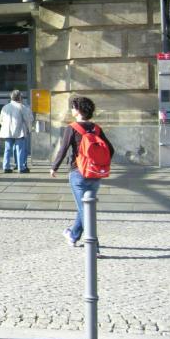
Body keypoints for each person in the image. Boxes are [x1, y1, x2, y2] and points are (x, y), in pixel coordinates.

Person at [50, 95, 114, 252]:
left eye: (73, 107)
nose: (71, 110)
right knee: (85, 206)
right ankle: (73, 235)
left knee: (85, 209)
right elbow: (111, 149)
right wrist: (99, 164)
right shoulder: (96, 128)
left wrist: (54, 167)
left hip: (78, 173)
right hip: (95, 174)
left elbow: (63, 149)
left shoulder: (72, 128)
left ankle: (94, 247)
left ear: (78, 110)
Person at [0, 89, 34, 173]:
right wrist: (29, 129)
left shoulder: (5, 107)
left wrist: (5, 126)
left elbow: (1, 120)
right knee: (20, 150)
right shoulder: (22, 107)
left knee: (7, 149)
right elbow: (28, 120)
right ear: (19, 97)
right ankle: (21, 167)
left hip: (8, 132)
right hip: (19, 131)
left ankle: (6, 167)